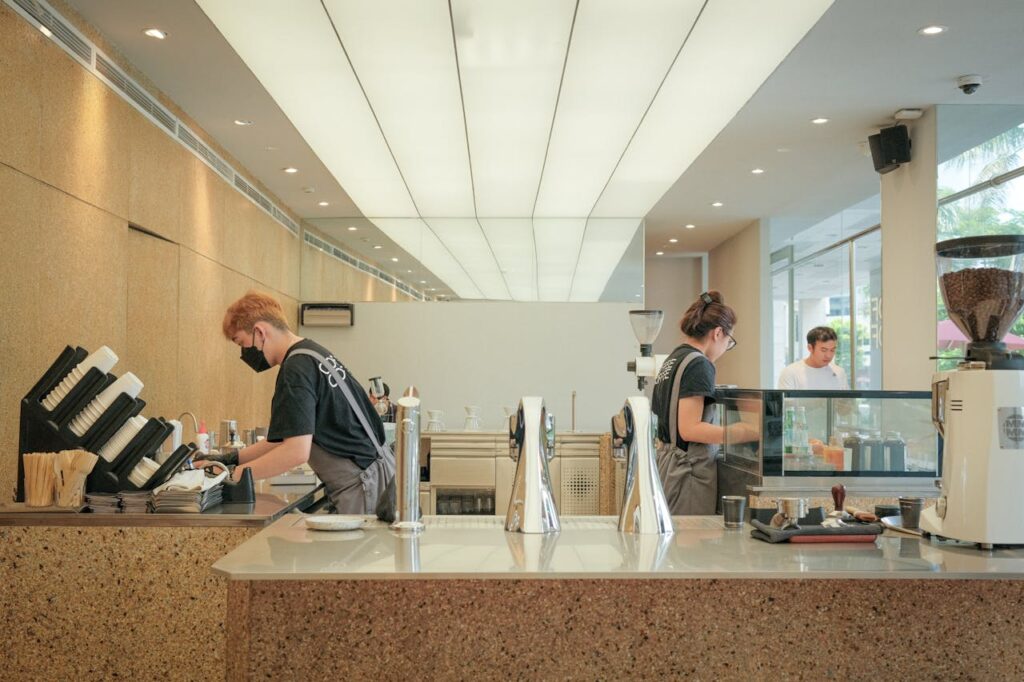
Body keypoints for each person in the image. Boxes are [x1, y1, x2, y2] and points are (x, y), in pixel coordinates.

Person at [200, 291, 391, 514]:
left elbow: (295, 452)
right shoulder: (312, 353)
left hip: (361, 486)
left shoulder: (295, 370)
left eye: (242, 343)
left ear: (260, 332)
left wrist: (230, 476)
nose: (245, 353)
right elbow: (284, 438)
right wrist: (229, 459)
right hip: (378, 473)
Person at [652, 291, 756, 515]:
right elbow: (689, 429)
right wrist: (742, 432)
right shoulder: (700, 364)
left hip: (667, 466)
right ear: (718, 333)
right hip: (687, 473)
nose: (726, 348)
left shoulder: (674, 359)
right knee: (691, 545)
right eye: (730, 341)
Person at [777, 326, 849, 390]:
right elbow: (785, 404)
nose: (828, 355)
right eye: (823, 350)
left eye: (832, 350)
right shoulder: (791, 372)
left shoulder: (839, 372)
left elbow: (847, 403)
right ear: (810, 348)